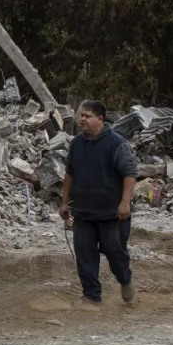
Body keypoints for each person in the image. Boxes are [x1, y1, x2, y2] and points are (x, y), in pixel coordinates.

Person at [59, 100, 137, 307]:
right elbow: (69, 174)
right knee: (85, 255)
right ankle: (91, 296)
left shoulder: (116, 143)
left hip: (112, 213)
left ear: (100, 119)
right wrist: (64, 202)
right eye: (81, 115)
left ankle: (124, 279)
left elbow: (130, 174)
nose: (82, 119)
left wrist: (125, 203)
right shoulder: (76, 144)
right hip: (83, 212)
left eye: (87, 116)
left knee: (115, 251)